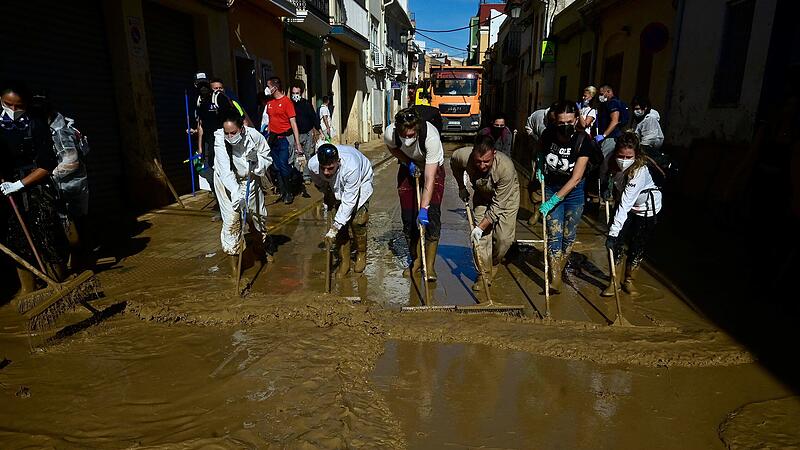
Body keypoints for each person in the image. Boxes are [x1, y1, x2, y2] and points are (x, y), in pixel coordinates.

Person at [1, 83, 68, 295]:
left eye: (18, 106)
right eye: (7, 104)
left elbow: (47, 165)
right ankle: (28, 291)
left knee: (46, 234)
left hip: (36, 185)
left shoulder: (36, 125)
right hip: (6, 188)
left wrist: (20, 184)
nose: (12, 110)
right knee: (17, 240)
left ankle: (57, 284)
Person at [537, 100, 595, 293]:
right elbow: (539, 152)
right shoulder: (548, 135)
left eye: (569, 122)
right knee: (554, 234)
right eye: (560, 122)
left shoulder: (583, 141)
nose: (564, 126)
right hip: (552, 186)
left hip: (574, 193)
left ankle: (561, 266)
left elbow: (576, 178)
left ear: (576, 119)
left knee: (568, 235)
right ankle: (555, 278)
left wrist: (552, 202)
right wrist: (538, 167)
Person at [29, 92, 91, 271]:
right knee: (73, 222)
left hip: (68, 186)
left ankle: (80, 263)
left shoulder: (60, 131)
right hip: (71, 184)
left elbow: (71, 162)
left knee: (70, 223)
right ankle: (79, 260)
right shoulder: (59, 123)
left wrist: (46, 174)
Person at [451, 134, 520, 290]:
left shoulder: (505, 168)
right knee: (481, 239)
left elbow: (497, 207)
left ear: (494, 154)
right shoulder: (462, 156)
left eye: (486, 162)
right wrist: (461, 187)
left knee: (503, 240)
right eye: (478, 161)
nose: (482, 166)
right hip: (482, 194)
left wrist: (480, 227)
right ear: (473, 153)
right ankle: (483, 273)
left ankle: (494, 263)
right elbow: (454, 165)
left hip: (506, 198)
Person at [384, 108, 446, 281]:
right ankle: (416, 261)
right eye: (405, 135)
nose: (408, 138)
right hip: (408, 166)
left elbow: (430, 178)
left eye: (412, 135)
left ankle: (430, 265)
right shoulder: (391, 133)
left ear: (418, 129)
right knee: (409, 219)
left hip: (432, 167)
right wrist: (407, 162)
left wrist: (424, 209)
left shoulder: (431, 138)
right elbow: (392, 148)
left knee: (431, 217)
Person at [601, 132, 662, 297]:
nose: (624, 160)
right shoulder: (610, 160)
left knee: (637, 245)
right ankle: (614, 281)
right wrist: (605, 187)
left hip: (646, 209)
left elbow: (625, 204)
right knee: (616, 245)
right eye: (621, 155)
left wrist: (613, 232)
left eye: (629, 157)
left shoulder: (640, 170)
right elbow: (605, 174)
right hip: (624, 202)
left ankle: (629, 280)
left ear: (636, 155)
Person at [213, 111, 272, 279]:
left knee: (256, 217)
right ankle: (234, 270)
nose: (230, 136)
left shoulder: (254, 137)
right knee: (232, 221)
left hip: (250, 180)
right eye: (227, 133)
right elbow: (224, 170)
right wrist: (236, 194)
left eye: (234, 132)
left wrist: (257, 162)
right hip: (226, 183)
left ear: (242, 128)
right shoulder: (219, 140)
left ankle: (262, 249)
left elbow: (267, 159)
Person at [309, 144, 374, 276]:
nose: (326, 172)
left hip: (360, 182)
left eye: (330, 168)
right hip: (334, 185)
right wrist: (325, 190)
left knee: (357, 221)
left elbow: (349, 201)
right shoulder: (313, 165)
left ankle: (361, 253)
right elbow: (318, 181)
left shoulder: (351, 167)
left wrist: (334, 229)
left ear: (338, 162)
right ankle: (345, 261)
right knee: (340, 225)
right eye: (323, 168)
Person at [195, 72, 236, 193]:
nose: (202, 88)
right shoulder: (199, 101)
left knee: (226, 170)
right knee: (207, 171)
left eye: (204, 84)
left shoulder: (219, 98)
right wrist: (200, 147)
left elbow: (232, 119)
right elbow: (200, 125)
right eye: (199, 85)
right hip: (208, 142)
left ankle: (230, 197)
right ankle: (219, 196)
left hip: (222, 140)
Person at [265, 77, 303, 204]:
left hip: (285, 139)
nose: (267, 89)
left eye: (268, 86)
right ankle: (283, 191)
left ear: (275, 88)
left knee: (283, 164)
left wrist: (298, 144)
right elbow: (268, 122)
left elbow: (293, 123)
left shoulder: (287, 102)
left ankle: (289, 192)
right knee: (276, 167)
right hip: (273, 139)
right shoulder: (269, 103)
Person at [290, 81, 321, 185]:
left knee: (307, 154)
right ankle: (297, 176)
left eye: (297, 93)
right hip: (295, 134)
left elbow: (313, 117)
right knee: (297, 156)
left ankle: (306, 176)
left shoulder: (306, 104)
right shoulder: (289, 105)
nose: (295, 95)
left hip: (307, 133)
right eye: (293, 93)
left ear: (301, 93)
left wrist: (320, 130)